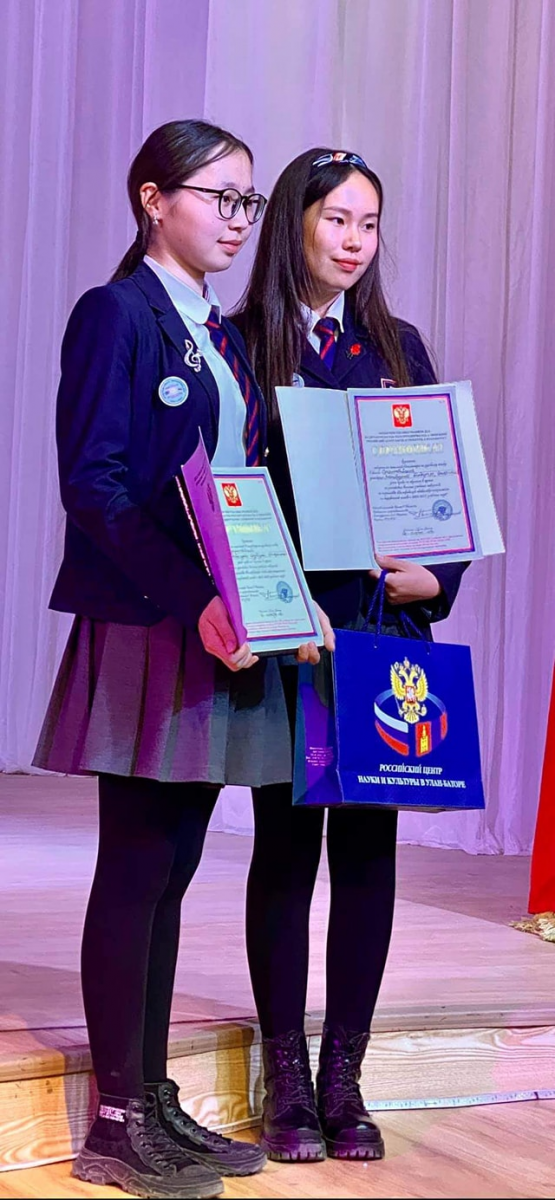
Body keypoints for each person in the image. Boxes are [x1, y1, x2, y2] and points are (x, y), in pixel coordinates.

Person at [33, 120, 332, 1200]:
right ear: (153, 200)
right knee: (136, 866)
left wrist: (281, 593)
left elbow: (239, 488)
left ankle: (150, 1098)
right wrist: (197, 598)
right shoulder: (116, 314)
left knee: (173, 871)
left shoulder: (220, 333)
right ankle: (114, 1122)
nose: (239, 220)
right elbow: (96, 485)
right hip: (152, 623)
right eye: (220, 196)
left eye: (249, 201)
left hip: (220, 627)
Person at [234, 147, 469, 1164]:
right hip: (294, 639)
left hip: (380, 639)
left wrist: (437, 578)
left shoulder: (397, 344)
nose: (353, 240)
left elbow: (435, 489)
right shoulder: (244, 343)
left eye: (368, 223)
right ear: (293, 223)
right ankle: (286, 1080)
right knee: (285, 851)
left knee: (369, 854)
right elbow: (230, 493)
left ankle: (345, 1079)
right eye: (335, 219)